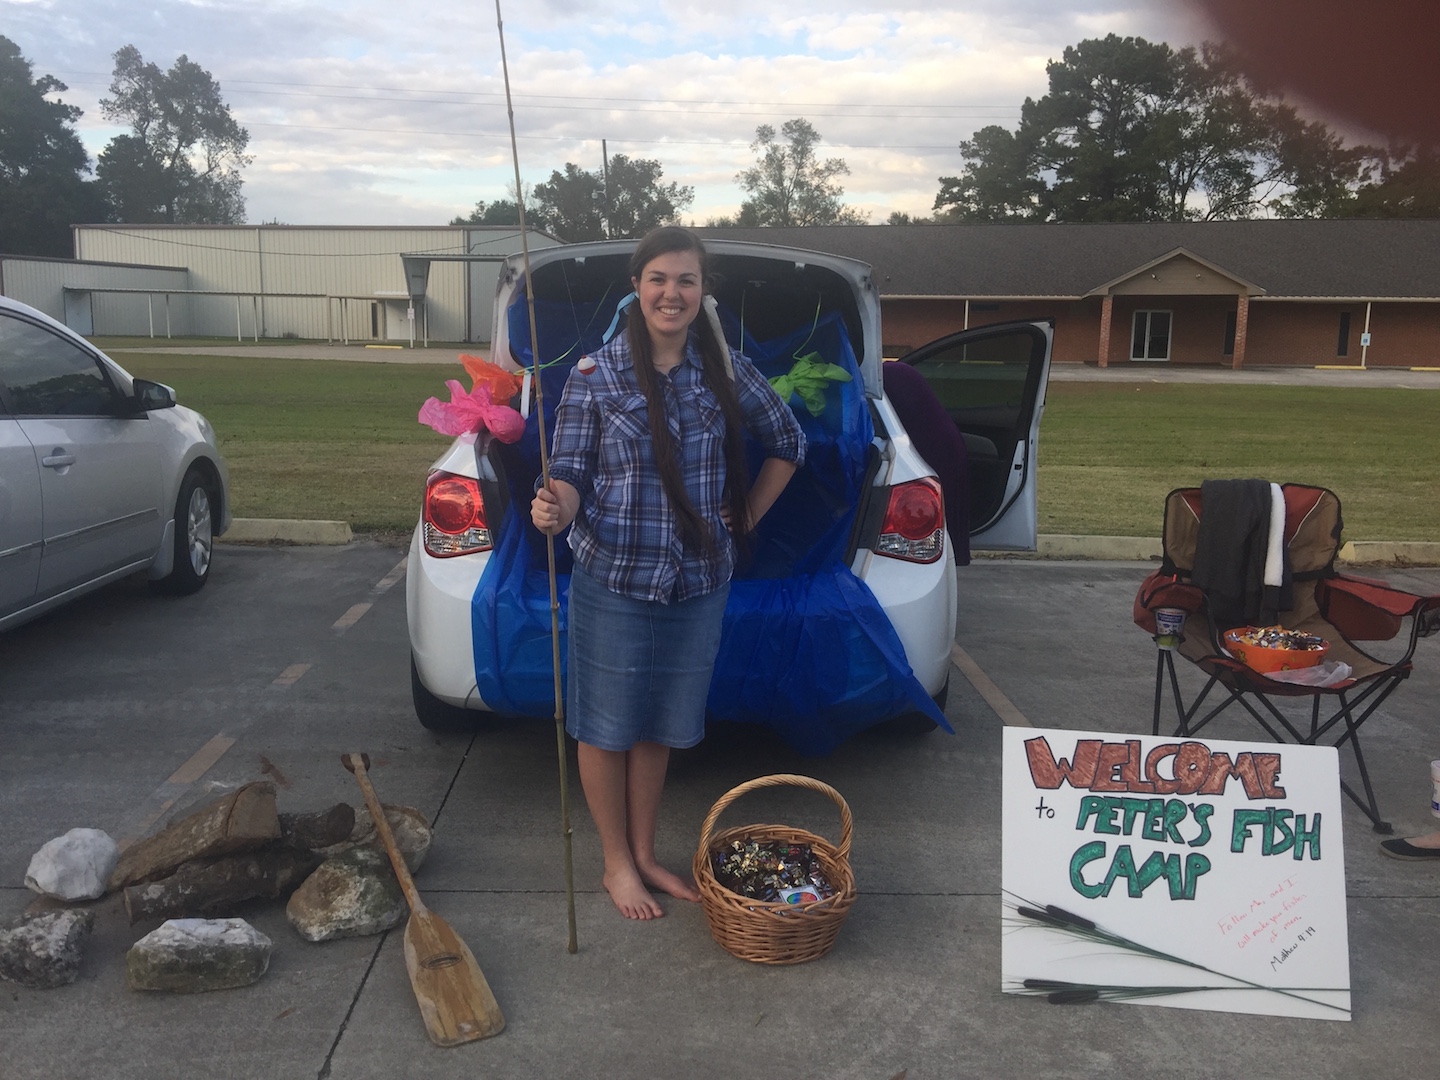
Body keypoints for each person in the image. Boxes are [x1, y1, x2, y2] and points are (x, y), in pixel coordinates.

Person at [530, 226, 806, 920]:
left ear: (702, 292)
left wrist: (745, 516)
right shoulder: (595, 377)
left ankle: (647, 853)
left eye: (686, 280)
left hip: (700, 582)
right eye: (658, 278)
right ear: (636, 287)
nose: (671, 293)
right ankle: (615, 864)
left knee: (659, 725)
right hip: (615, 580)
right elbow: (567, 473)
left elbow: (789, 441)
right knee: (605, 725)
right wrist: (553, 509)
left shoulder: (727, 371)